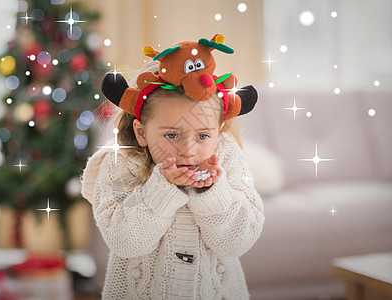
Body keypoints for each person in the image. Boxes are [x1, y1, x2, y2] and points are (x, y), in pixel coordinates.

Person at [81, 35, 264, 299]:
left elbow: (237, 241)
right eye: (172, 135)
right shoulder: (120, 163)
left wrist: (212, 193)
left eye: (202, 136)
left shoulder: (228, 159)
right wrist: (162, 189)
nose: (187, 151)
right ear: (141, 132)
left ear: (218, 130)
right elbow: (125, 242)